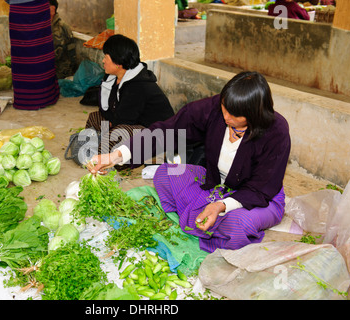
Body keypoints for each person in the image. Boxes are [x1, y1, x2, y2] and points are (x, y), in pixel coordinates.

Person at [88, 71, 291, 253]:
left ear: (255, 114)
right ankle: (201, 219)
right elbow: (167, 131)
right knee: (165, 174)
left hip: (257, 196)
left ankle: (206, 219)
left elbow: (261, 188)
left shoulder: (276, 131)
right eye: (225, 109)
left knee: (237, 225)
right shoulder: (214, 109)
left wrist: (220, 206)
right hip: (216, 183)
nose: (226, 117)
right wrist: (115, 156)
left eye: (234, 115)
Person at [85, 34, 174, 154]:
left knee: (118, 134)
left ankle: (104, 159)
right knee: (94, 118)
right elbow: (106, 109)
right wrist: (111, 123)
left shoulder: (138, 86)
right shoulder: (112, 78)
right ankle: (100, 150)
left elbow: (124, 121)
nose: (103, 61)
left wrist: (111, 125)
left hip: (157, 134)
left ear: (118, 62)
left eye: (106, 57)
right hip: (131, 123)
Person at [6, 0, 60, 110]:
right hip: (38, 7)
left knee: (22, 53)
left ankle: (25, 99)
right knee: (42, 50)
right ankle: (46, 96)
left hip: (19, 8)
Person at [49, 0, 76, 79]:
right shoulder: (44, 26)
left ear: (52, 9)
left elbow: (66, 51)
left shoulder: (61, 27)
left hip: (60, 71)